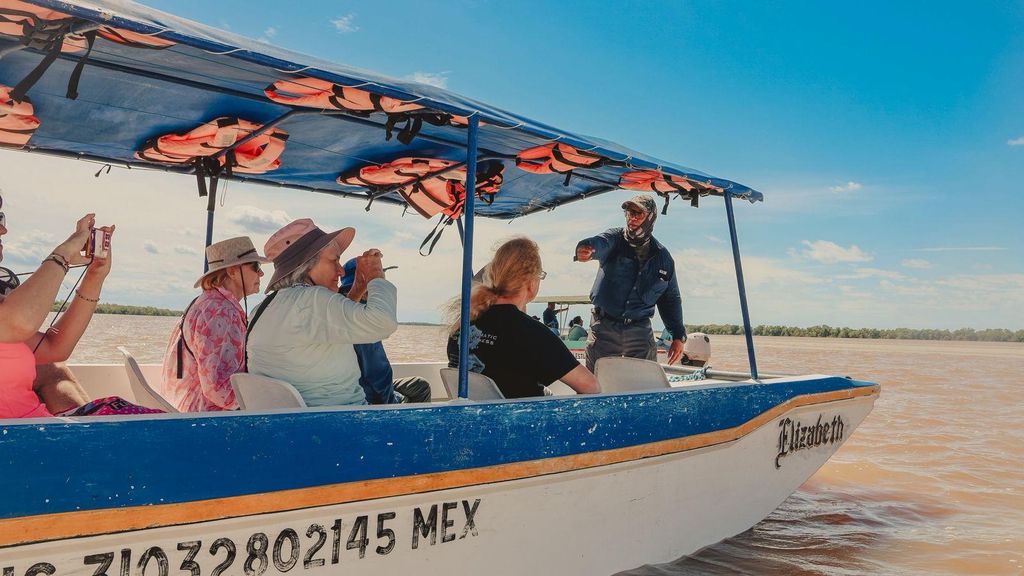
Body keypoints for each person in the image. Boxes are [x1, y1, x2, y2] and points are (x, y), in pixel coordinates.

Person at [0, 209, 159, 418]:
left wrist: (95, 276)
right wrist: (63, 254)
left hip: (34, 433)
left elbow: (55, 348)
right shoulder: (11, 317)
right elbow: (19, 323)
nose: (4, 229)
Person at [247, 218, 398, 407]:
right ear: (307, 264)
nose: (341, 271)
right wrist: (376, 275)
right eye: (334, 260)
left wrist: (357, 290)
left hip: (295, 425)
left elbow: (323, 328)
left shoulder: (262, 309)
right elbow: (383, 322)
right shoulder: (312, 300)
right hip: (343, 424)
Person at [446, 237, 599, 398]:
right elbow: (591, 386)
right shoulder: (531, 333)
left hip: (469, 420)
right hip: (518, 421)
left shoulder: (461, 325)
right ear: (531, 282)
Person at [575, 194, 686, 371]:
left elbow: (670, 299)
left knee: (645, 383)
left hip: (640, 331)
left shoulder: (663, 258)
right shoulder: (615, 239)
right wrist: (588, 248)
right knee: (594, 386)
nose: (632, 218)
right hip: (604, 327)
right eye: (629, 213)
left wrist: (678, 336)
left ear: (650, 217)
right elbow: (601, 242)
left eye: (638, 213)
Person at [158, 237, 268, 412]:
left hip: (188, 407)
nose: (261, 274)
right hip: (208, 418)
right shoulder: (222, 311)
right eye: (255, 267)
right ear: (232, 271)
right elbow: (219, 390)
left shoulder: (205, 303)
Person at [338, 258, 431, 404]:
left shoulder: (341, 308)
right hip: (369, 397)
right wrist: (392, 402)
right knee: (420, 390)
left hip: (357, 387)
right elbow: (376, 376)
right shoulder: (364, 318)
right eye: (378, 277)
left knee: (419, 384)